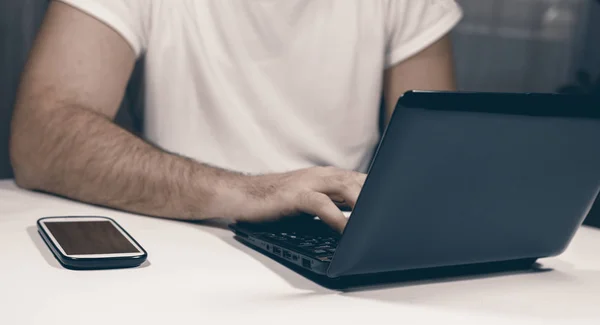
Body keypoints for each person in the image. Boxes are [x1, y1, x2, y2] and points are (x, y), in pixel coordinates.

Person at [10, 0, 462, 232]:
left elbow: (438, 165)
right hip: (180, 240)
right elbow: (40, 136)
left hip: (334, 250)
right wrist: (252, 192)